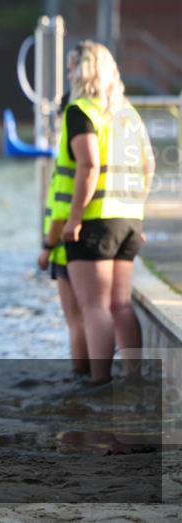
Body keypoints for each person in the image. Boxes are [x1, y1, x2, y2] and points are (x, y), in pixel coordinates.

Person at [53, 41, 155, 384]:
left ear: (83, 71)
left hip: (95, 222)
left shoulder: (80, 111)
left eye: (70, 69)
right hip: (128, 221)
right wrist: (136, 212)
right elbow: (148, 164)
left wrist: (74, 218)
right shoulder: (127, 113)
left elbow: (89, 165)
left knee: (94, 307)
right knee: (120, 305)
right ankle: (135, 378)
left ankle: (99, 385)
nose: (68, 75)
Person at [38, 47, 88, 376]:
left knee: (77, 321)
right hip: (94, 233)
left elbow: (60, 206)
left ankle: (83, 381)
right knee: (96, 313)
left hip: (65, 246)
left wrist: (47, 247)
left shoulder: (71, 151)